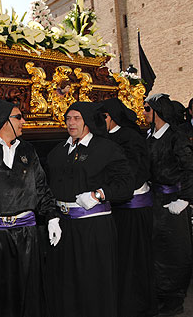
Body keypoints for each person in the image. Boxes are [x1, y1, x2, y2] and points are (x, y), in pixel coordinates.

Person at [0, 99, 59, 317]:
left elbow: (41, 188)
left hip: (27, 236)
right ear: (3, 121)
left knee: (28, 295)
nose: (23, 121)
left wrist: (52, 217)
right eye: (18, 117)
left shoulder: (28, 150)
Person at [44, 102, 133, 317]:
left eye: (76, 118)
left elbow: (126, 184)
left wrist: (98, 194)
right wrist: (51, 216)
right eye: (68, 118)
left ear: (88, 122)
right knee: (66, 282)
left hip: (93, 228)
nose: (71, 123)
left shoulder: (106, 149)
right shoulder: (57, 152)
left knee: (92, 282)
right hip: (63, 228)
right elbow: (46, 187)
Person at [100, 98, 157, 317]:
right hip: (116, 207)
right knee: (120, 260)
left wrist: (114, 188)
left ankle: (138, 306)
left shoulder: (130, 137)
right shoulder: (104, 137)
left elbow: (137, 171)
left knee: (135, 261)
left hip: (133, 208)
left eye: (103, 117)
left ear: (112, 117)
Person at [144, 93, 193, 316]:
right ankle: (159, 294)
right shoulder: (148, 136)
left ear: (158, 112)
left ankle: (175, 298)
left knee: (175, 251)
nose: (143, 113)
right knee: (156, 250)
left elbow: (189, 169)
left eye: (147, 109)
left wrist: (184, 199)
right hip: (153, 200)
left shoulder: (176, 137)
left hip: (173, 202)